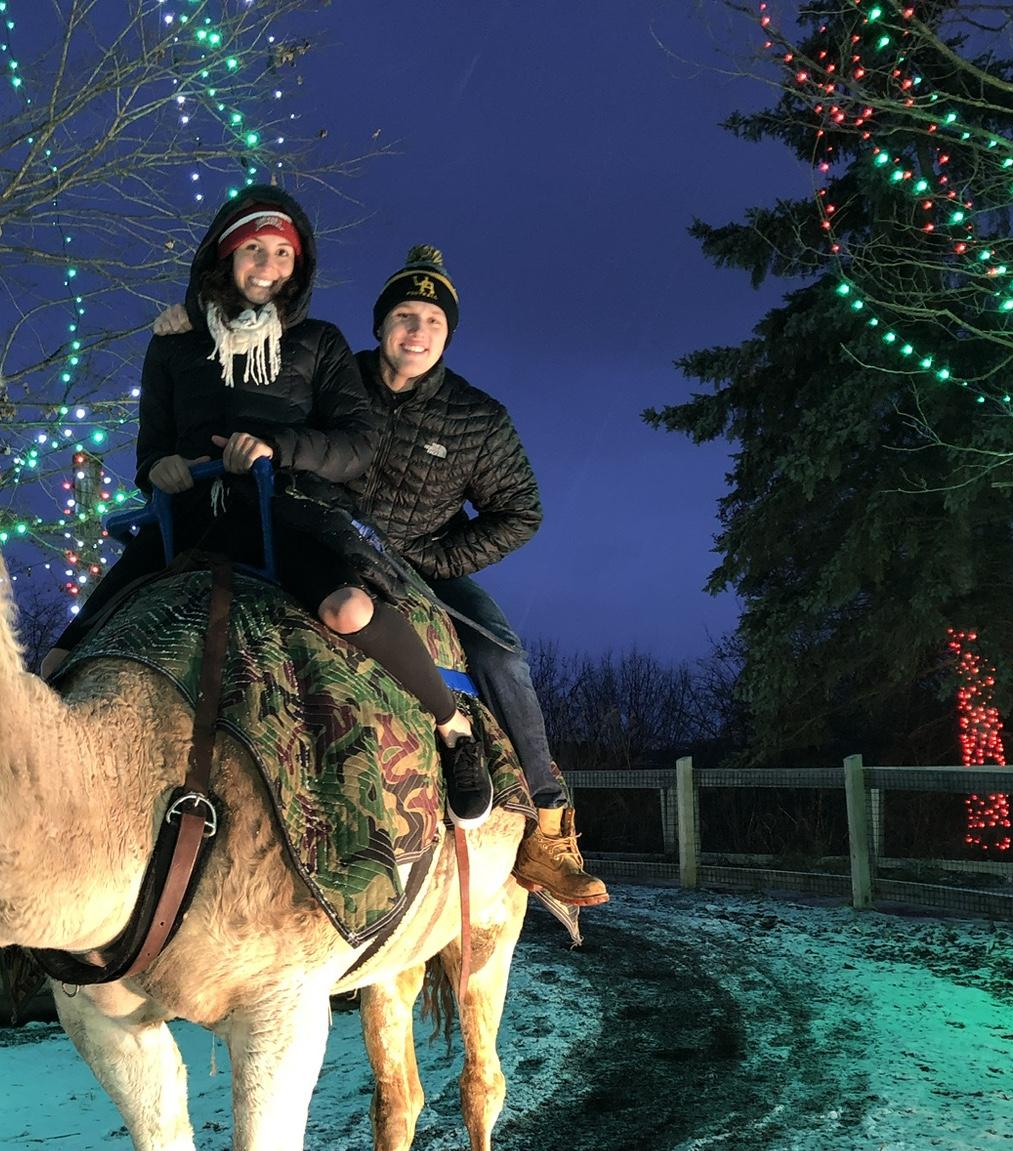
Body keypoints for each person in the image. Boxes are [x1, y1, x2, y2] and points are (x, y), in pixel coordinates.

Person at [151, 244, 607, 906]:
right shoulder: (335, 374)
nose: (416, 332)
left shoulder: (478, 418)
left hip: (422, 560)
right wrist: (191, 320)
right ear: (379, 325)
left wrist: (437, 560)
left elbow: (520, 512)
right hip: (320, 537)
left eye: (432, 321)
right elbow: (252, 370)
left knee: (501, 653)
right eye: (403, 316)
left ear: (447, 334)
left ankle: (546, 823)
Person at [46, 190, 494, 827]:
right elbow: (150, 448)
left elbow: (357, 446)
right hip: (193, 517)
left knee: (349, 609)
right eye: (254, 248)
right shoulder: (173, 344)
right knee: (66, 651)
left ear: (298, 265)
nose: (268, 264)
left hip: (283, 512)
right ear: (225, 256)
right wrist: (158, 470)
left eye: (284, 252)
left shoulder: (319, 342)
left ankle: (453, 731)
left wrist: (278, 447)